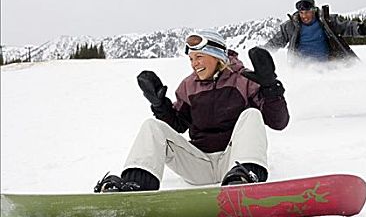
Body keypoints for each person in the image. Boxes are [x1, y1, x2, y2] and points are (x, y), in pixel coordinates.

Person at [94, 29, 289, 193]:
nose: (194, 63)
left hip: (235, 162)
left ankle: (248, 179)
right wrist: (160, 106)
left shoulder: (244, 80)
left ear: (217, 56)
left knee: (251, 115)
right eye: (191, 58)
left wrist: (271, 89)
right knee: (152, 126)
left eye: (199, 57)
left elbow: (278, 122)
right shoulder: (189, 86)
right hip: (199, 164)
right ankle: (137, 186)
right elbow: (177, 126)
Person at [263, 0, 366, 62]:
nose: (304, 16)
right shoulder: (291, 26)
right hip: (300, 68)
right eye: (301, 13)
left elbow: (345, 27)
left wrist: (361, 29)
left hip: (327, 65)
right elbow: (275, 42)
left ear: (314, 10)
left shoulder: (326, 21)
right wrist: (261, 53)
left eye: (307, 12)